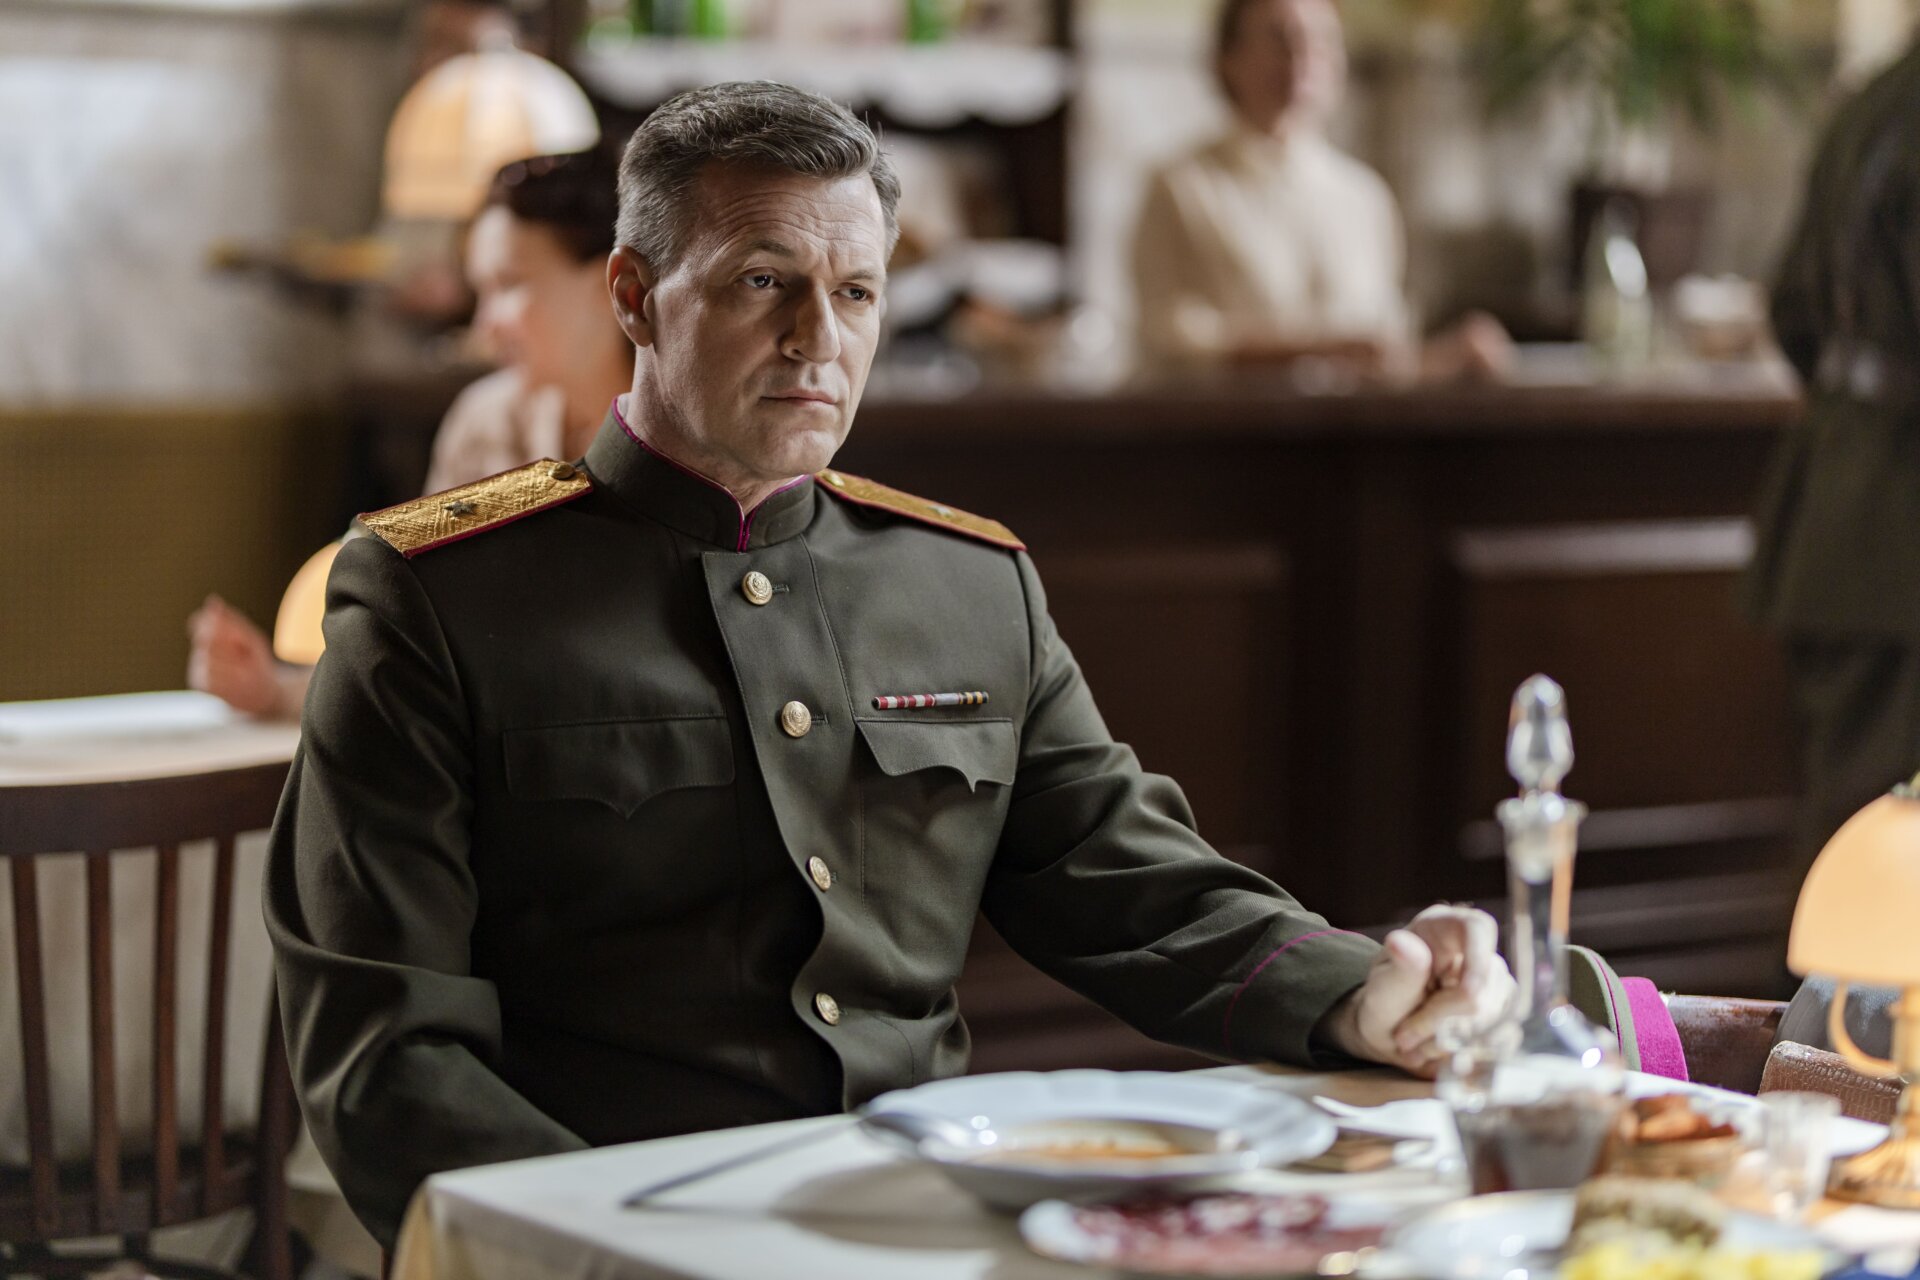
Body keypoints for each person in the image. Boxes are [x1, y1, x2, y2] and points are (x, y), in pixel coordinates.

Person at [266, 80, 1513, 1250]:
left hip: (924, 1224)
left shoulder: (968, 585)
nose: (819, 338)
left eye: (857, 291)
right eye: (764, 281)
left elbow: (1133, 884)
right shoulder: (436, 594)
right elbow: (388, 1059)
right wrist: (613, 1247)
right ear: (634, 297)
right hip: (610, 1234)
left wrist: (1361, 991)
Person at [187, 147, 631, 721]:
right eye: (479, 292)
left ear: (612, 282)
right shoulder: (486, 424)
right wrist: (276, 691)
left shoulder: (691, 441)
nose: (485, 324)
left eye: (510, 284)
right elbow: (424, 640)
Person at [1744, 41, 1920, 884]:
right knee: (1882, 842)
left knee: (1852, 824)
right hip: (1897, 539)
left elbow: (1792, 311)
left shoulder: (1875, 100)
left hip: (1837, 505)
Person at [1132, 0, 1510, 379]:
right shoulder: (1183, 187)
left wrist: (1450, 358)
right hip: (1232, 417)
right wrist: (1318, 350)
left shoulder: (1364, 196)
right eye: (1280, 39)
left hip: (1355, 418)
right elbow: (1171, 342)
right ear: (1228, 58)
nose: (1302, 58)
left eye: (1321, 41)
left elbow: (1383, 355)